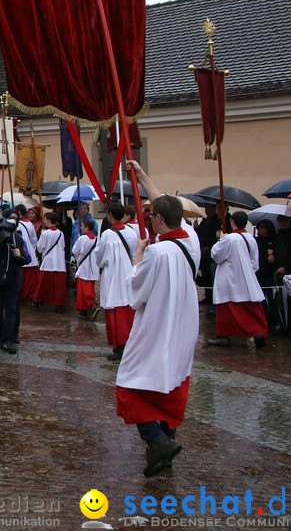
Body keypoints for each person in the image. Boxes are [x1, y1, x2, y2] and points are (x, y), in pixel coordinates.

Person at [116, 160, 200, 478]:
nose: (148, 218)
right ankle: (164, 446)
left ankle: (156, 440)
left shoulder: (157, 252)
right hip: (184, 326)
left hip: (157, 327)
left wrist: (138, 253)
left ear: (159, 219)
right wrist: (142, 177)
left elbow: (136, 293)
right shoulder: (190, 241)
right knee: (170, 386)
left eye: (152, 215)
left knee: (131, 383)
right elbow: (165, 200)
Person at [207, 210, 268, 348]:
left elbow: (216, 255)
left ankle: (224, 335)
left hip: (229, 279)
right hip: (247, 278)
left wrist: (220, 239)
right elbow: (254, 263)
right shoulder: (251, 238)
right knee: (250, 309)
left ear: (232, 221)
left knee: (226, 308)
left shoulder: (229, 239)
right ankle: (257, 332)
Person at [0, 207, 30, 353]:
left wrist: (18, 256)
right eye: (11, 218)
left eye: (16, 218)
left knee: (11, 311)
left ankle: (7, 338)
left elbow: (26, 259)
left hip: (12, 279)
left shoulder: (18, 238)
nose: (13, 221)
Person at [96, 201, 138, 361]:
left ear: (110, 215)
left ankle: (118, 346)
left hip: (112, 274)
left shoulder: (107, 234)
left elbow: (99, 257)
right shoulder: (132, 232)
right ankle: (127, 342)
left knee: (114, 309)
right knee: (126, 309)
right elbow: (134, 253)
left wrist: (101, 263)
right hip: (127, 272)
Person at [34, 212, 68, 311]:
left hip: (48, 261)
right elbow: (62, 247)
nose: (44, 221)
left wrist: (41, 235)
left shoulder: (45, 233)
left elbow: (40, 248)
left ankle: (38, 300)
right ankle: (59, 304)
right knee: (58, 285)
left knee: (43, 283)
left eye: (45, 219)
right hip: (59, 261)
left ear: (49, 220)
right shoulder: (60, 233)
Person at [71, 216, 100, 316]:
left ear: (87, 228)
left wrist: (76, 257)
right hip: (93, 266)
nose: (82, 228)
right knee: (88, 286)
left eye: (83, 226)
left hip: (84, 266)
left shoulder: (82, 238)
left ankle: (91, 305)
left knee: (85, 288)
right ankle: (83, 308)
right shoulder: (97, 239)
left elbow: (75, 251)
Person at [15, 204, 40, 304]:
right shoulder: (29, 224)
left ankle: (24, 297)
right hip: (30, 255)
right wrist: (31, 252)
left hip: (22, 254)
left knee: (24, 280)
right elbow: (34, 241)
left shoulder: (19, 225)